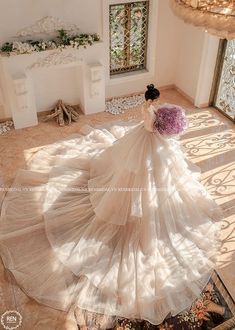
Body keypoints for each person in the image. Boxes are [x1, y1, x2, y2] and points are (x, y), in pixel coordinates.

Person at [0, 84, 223, 326]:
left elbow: (155, 126)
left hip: (145, 144)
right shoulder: (150, 114)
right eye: (157, 98)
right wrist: (162, 129)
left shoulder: (150, 108)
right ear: (153, 99)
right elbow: (151, 129)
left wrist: (161, 124)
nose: (158, 100)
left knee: (155, 179)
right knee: (139, 180)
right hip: (146, 148)